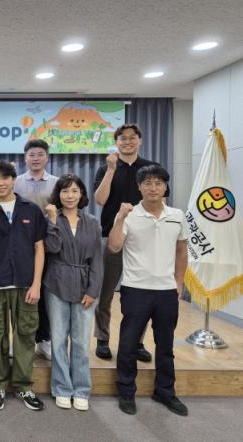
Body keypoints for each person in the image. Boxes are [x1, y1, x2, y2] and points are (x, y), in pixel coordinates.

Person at [109, 165, 189, 416]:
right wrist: (120, 218)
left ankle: (165, 391)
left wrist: (178, 282)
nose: (153, 188)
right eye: (148, 183)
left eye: (158, 183)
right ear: (139, 186)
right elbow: (114, 247)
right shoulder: (129, 214)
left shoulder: (177, 215)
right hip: (135, 289)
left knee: (165, 345)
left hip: (166, 291)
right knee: (128, 343)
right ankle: (126, 392)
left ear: (165, 187)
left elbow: (181, 251)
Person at [0, 160, 46, 411]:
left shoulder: (31, 210)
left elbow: (39, 249)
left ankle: (24, 386)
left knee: (25, 335)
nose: (1, 183)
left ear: (14, 179)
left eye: (5, 178)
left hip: (26, 284)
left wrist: (36, 284)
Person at [93, 124, 167, 361]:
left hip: (143, 239)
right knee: (105, 292)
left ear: (140, 140)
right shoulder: (106, 167)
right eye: (122, 138)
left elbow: (161, 200)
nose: (127, 142)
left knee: (140, 294)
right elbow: (100, 200)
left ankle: (137, 341)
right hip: (110, 235)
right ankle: (102, 338)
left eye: (132, 138)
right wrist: (111, 170)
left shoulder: (150, 168)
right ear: (116, 142)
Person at [43, 174, 102, 411]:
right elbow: (52, 248)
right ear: (58, 194)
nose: (70, 196)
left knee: (81, 341)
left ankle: (81, 389)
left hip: (84, 285)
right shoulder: (51, 218)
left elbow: (97, 259)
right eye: (65, 191)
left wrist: (93, 290)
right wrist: (52, 221)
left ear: (82, 194)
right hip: (56, 283)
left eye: (75, 191)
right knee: (58, 340)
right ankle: (62, 388)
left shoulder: (92, 222)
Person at [14, 139, 58, 361]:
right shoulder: (16, 182)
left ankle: (45, 339)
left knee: (44, 295)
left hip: (49, 246)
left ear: (47, 157)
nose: (36, 158)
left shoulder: (56, 183)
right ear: (25, 158)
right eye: (31, 155)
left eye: (40, 154)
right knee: (22, 294)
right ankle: (22, 340)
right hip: (21, 247)